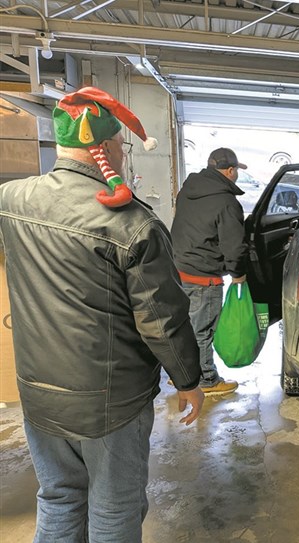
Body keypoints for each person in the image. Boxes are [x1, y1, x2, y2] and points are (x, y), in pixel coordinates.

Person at [0, 87, 204, 542]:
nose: (124, 155)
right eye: (122, 146)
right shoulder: (131, 223)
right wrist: (188, 380)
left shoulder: (10, 200)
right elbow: (162, 321)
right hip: (110, 401)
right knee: (114, 509)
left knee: (59, 497)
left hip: (38, 392)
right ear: (106, 147)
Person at [171, 147, 250, 395]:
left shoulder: (188, 190)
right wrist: (238, 274)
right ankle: (206, 380)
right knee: (202, 331)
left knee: (184, 327)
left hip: (178, 269)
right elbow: (234, 245)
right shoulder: (227, 203)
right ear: (230, 171)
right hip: (203, 276)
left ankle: (182, 376)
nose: (237, 175)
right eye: (237, 170)